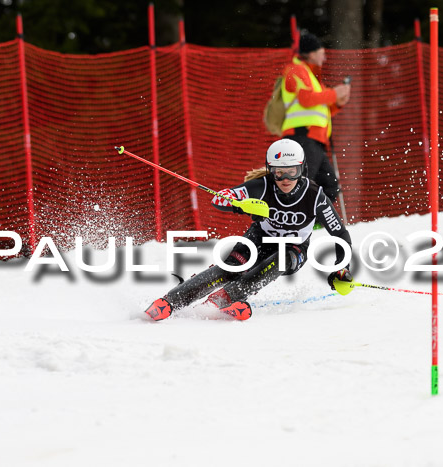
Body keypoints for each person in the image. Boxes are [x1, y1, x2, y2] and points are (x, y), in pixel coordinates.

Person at [145, 139, 354, 321]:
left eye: (292, 172)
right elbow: (219, 200)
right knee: (230, 268)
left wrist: (341, 267)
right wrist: (238, 203)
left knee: (281, 258)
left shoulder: (315, 195)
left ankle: (229, 296)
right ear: (271, 170)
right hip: (259, 239)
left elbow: (340, 234)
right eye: (279, 173)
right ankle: (170, 301)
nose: (286, 180)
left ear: (302, 169)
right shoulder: (263, 185)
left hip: (293, 248)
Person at [281, 32, 351, 203]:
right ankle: (292, 223)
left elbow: (320, 111)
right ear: (312, 53)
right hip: (302, 136)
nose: (324, 57)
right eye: (322, 52)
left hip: (314, 138)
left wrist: (338, 102)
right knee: (302, 184)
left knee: (329, 186)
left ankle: (314, 225)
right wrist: (335, 94)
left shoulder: (311, 76)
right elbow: (306, 99)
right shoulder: (296, 70)